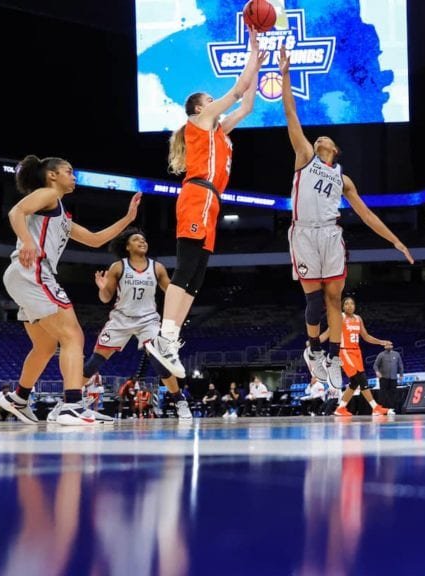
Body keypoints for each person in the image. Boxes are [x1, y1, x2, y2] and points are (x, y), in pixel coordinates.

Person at [278, 45, 414, 392]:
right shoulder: (305, 156)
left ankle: (334, 358)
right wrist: (284, 73)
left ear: (335, 151)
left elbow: (366, 214)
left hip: (331, 235)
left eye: (327, 137)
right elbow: (291, 113)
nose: (320, 136)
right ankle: (313, 350)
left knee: (334, 299)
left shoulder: (343, 178)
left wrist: (395, 240)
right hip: (304, 234)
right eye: (318, 135)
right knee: (313, 300)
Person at [146, 24, 265, 379]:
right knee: (185, 270)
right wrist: (254, 46)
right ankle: (163, 338)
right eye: (209, 99)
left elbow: (248, 102)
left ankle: (171, 339)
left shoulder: (220, 132)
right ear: (198, 108)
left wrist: (262, 64)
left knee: (196, 278)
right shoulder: (202, 122)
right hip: (197, 194)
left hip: (211, 201)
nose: (214, 101)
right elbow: (239, 88)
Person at [0, 155, 140, 425]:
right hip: (34, 270)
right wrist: (27, 241)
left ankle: (18, 398)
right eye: (69, 171)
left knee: (45, 345)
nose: (74, 176)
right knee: (73, 335)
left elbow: (95, 240)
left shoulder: (59, 211)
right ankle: (71, 406)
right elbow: (16, 212)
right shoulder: (47, 193)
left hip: (24, 275)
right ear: (52, 175)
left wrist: (128, 218)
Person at [85, 228, 191, 419]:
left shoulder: (157, 267)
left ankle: (179, 399)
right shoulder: (118, 267)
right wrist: (102, 288)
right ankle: (70, 399)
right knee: (95, 361)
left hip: (148, 320)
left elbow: (172, 292)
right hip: (121, 318)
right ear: (127, 246)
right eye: (136, 239)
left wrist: (185, 288)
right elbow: (106, 297)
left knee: (160, 361)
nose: (142, 242)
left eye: (143, 239)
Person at [320, 297, 393, 417]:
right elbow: (329, 332)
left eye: (352, 303)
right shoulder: (340, 317)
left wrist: (381, 342)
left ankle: (340, 408)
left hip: (356, 352)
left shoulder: (358, 318)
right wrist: (314, 342)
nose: (349, 306)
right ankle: (375, 407)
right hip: (345, 352)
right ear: (343, 307)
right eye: (346, 304)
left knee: (354, 382)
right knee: (361, 378)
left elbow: (366, 336)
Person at [373, 342, 404, 410]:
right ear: (384, 346)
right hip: (384, 378)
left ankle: (392, 408)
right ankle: (382, 408)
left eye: (390, 345)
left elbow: (400, 365)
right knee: (383, 393)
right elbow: (375, 365)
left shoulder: (396, 354)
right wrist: (377, 372)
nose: (389, 346)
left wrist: (401, 375)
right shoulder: (381, 355)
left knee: (393, 393)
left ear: (392, 346)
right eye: (387, 345)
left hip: (393, 378)